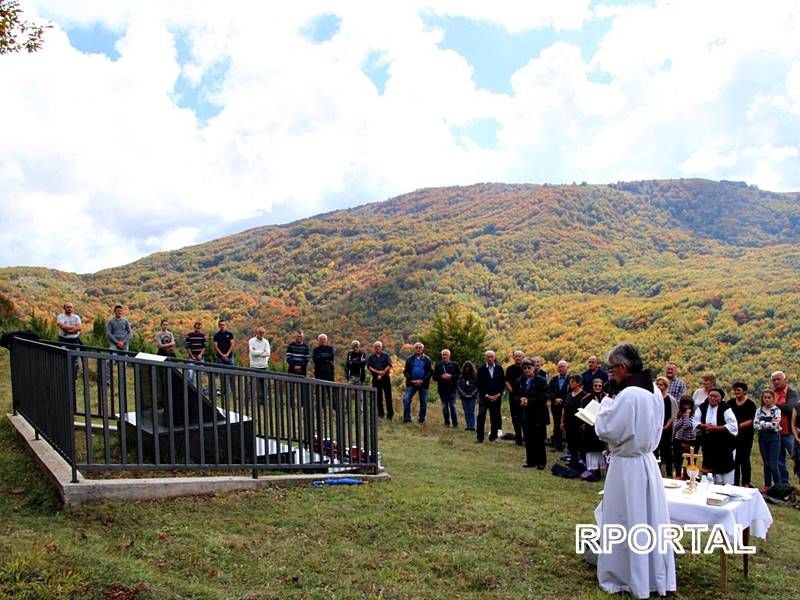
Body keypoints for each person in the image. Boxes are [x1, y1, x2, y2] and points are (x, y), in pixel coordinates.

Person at [594, 343, 675, 599]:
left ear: (624, 367)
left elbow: (607, 428)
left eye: (612, 368)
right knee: (646, 518)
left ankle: (623, 575)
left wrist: (605, 403)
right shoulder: (653, 391)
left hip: (627, 465)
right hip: (647, 462)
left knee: (624, 517)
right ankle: (650, 574)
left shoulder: (628, 395)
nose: (611, 374)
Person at [693, 387, 738, 484]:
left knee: (724, 466)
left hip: (723, 443)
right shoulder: (703, 407)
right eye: (711, 396)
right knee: (709, 466)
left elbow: (733, 425)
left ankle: (726, 485)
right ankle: (709, 485)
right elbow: (695, 421)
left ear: (721, 398)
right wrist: (703, 425)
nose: (712, 398)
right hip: (708, 443)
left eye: (715, 396)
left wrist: (717, 428)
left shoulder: (725, 408)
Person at [517, 359, 549, 469]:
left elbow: (544, 397)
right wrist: (520, 399)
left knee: (539, 439)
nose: (527, 370)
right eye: (524, 368)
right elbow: (515, 395)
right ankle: (530, 460)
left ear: (534, 368)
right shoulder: (520, 380)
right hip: (525, 413)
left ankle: (541, 462)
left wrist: (529, 401)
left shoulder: (541, 380)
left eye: (529, 368)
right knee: (528, 438)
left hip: (538, 413)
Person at [771, 371, 798, 485]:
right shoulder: (771, 393)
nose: (776, 382)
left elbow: (791, 409)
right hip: (775, 433)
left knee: (797, 458)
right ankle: (784, 486)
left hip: (789, 433)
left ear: (785, 380)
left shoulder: (792, 393)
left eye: (778, 379)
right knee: (779, 461)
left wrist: (774, 404)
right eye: (774, 380)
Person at [729, 381, 756, 487]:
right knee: (734, 459)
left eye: (738, 390)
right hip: (733, 436)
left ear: (744, 391)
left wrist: (739, 425)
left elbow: (751, 419)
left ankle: (746, 483)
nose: (736, 392)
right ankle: (734, 482)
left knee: (744, 459)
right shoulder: (730, 403)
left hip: (746, 436)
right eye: (735, 390)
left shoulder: (750, 404)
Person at [754, 389, 782, 492]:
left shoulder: (776, 410)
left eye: (769, 397)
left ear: (773, 399)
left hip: (773, 438)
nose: (767, 400)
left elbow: (775, 424)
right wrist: (766, 424)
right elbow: (755, 425)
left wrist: (763, 424)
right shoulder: (759, 410)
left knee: (773, 463)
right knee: (766, 463)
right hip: (762, 439)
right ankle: (767, 485)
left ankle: (778, 487)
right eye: (765, 397)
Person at [476, 350, 504, 443]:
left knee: (495, 417)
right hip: (484, 397)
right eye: (488, 357)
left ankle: (493, 436)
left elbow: (502, 383)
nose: (490, 358)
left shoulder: (499, 369)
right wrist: (487, 395)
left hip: (496, 397)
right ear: (486, 358)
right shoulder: (481, 369)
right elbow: (479, 384)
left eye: (492, 357)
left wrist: (498, 395)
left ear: (494, 358)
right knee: (481, 415)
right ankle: (480, 437)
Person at [580, 379, 606, 478]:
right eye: (596, 386)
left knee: (602, 448)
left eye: (599, 386)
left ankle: (603, 469)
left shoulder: (606, 397)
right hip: (590, 427)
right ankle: (593, 469)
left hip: (602, 427)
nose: (598, 388)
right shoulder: (586, 398)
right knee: (592, 449)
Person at [402, 342, 433, 424]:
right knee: (406, 399)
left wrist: (422, 380)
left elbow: (430, 372)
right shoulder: (409, 359)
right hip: (411, 383)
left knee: (424, 401)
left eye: (420, 348)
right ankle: (407, 418)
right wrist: (412, 380)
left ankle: (421, 419)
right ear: (414, 349)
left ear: (422, 349)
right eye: (417, 348)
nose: (418, 349)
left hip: (423, 384)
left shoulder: (427, 359)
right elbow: (405, 372)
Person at [562, 374, 588, 463]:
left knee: (580, 444)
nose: (570, 383)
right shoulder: (569, 395)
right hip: (569, 423)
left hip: (579, 424)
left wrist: (585, 423)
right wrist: (562, 422)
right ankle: (573, 462)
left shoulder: (585, 396)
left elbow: (588, 411)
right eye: (570, 381)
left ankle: (583, 463)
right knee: (571, 444)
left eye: (572, 381)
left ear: (578, 383)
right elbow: (564, 409)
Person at [654, 376, 677, 477]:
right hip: (655, 429)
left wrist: (666, 426)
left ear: (666, 386)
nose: (659, 386)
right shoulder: (653, 397)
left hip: (666, 429)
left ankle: (668, 472)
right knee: (655, 450)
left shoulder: (670, 399)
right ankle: (656, 472)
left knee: (666, 451)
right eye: (657, 384)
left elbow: (673, 415)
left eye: (661, 384)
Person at [433, 349, 460, 428]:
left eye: (446, 355)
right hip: (442, 389)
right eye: (443, 355)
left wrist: (451, 376)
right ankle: (447, 423)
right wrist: (441, 376)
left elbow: (459, 376)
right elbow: (434, 377)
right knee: (444, 407)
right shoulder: (438, 365)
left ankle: (455, 424)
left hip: (452, 389)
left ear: (449, 355)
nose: (444, 356)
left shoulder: (455, 365)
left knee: (453, 406)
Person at [671, 395, 696, 478]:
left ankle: (690, 476)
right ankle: (678, 475)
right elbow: (676, 426)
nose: (686, 406)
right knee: (678, 459)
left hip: (691, 440)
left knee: (691, 460)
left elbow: (687, 426)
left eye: (688, 404)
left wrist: (686, 416)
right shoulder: (678, 414)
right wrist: (683, 417)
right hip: (679, 440)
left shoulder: (694, 415)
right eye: (684, 404)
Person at [547, 360, 570, 451]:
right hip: (555, 405)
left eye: (563, 366)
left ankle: (568, 445)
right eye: (559, 366)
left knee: (566, 425)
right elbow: (549, 391)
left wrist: (562, 400)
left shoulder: (571, 379)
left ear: (567, 368)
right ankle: (557, 445)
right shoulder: (554, 379)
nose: (561, 368)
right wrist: (555, 399)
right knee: (556, 424)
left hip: (566, 405)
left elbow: (571, 392)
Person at [504, 350, 526, 444]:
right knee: (515, 417)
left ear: (523, 357)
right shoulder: (510, 368)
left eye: (520, 356)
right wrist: (512, 391)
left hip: (524, 396)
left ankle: (526, 437)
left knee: (524, 417)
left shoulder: (526, 368)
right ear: (513, 357)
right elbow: (506, 381)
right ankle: (518, 438)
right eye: (516, 356)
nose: (518, 358)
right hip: (513, 396)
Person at [367, 341, 393, 419]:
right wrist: (378, 372)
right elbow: (369, 367)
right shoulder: (371, 357)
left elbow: (389, 365)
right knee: (378, 397)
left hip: (385, 378)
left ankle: (390, 415)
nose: (377, 348)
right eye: (376, 346)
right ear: (374, 348)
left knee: (388, 396)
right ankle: (380, 414)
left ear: (381, 347)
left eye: (379, 346)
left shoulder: (386, 355)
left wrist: (383, 372)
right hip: (375, 379)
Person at [56, 302, 82, 377]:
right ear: (64, 308)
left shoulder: (76, 317)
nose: (69, 308)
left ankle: (74, 376)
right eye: (68, 307)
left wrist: (68, 329)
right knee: (63, 357)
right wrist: (74, 328)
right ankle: (64, 374)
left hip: (75, 340)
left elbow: (80, 328)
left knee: (76, 358)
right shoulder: (61, 316)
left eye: (71, 307)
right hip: (63, 340)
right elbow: (62, 327)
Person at [457, 361, 478, 431]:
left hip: (473, 397)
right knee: (466, 411)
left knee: (471, 411)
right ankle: (468, 425)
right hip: (464, 397)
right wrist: (463, 394)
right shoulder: (461, 376)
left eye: (469, 367)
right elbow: (458, 386)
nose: (467, 368)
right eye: (466, 367)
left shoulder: (475, 376)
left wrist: (472, 394)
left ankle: (472, 426)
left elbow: (477, 387)